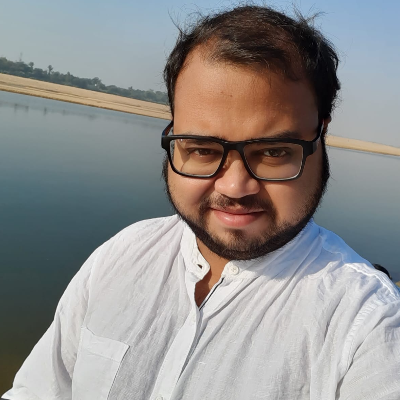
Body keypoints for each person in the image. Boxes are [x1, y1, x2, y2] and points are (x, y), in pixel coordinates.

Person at [3, 5, 400, 400]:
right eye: (202, 149)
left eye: (275, 152)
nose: (235, 187)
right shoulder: (121, 255)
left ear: (321, 136)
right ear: (172, 134)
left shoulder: (367, 324)